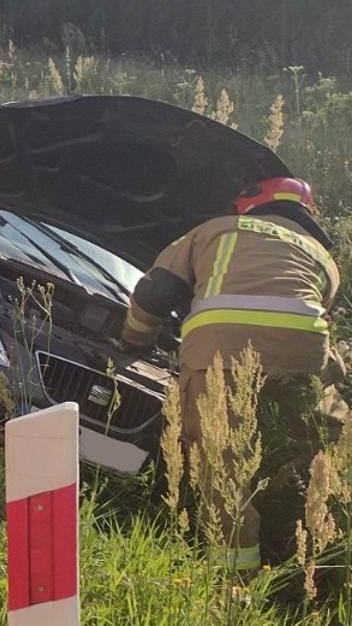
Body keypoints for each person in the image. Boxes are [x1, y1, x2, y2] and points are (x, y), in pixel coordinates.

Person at [121, 176, 343, 572]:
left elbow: (155, 292)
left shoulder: (217, 228)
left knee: (221, 462)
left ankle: (233, 576)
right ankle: (296, 500)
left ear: (249, 202)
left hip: (220, 348)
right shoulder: (322, 256)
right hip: (303, 353)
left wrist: (134, 341)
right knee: (320, 437)